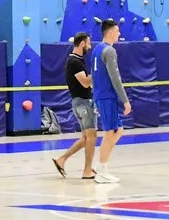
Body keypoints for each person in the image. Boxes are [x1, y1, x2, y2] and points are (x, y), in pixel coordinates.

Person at [52, 31, 99, 180]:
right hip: (83, 103)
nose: (90, 47)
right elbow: (85, 82)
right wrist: (97, 74)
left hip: (80, 102)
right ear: (82, 43)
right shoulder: (74, 62)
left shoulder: (77, 60)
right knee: (92, 136)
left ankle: (62, 159)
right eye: (88, 43)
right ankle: (87, 170)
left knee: (86, 137)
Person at [91, 20, 130, 182]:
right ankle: (102, 169)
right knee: (110, 132)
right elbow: (115, 78)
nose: (119, 34)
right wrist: (125, 100)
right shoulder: (109, 51)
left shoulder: (96, 49)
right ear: (110, 32)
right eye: (117, 31)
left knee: (118, 130)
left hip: (101, 95)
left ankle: (100, 164)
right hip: (107, 96)